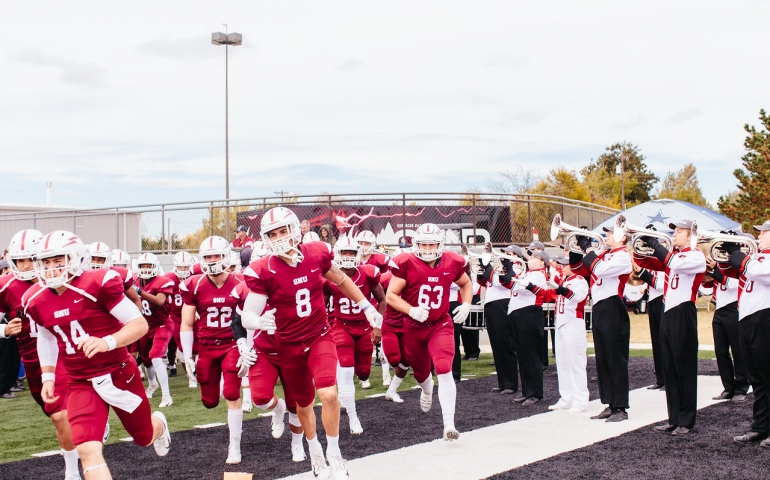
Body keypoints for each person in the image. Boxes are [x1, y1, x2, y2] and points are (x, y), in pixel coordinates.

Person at [241, 207, 382, 479]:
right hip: (288, 344)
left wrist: (366, 306)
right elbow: (248, 313)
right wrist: (258, 322)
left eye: (284, 230)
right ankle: (314, 448)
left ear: (296, 229)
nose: (280, 237)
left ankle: (335, 452)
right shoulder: (263, 269)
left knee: (329, 393)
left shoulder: (316, 252)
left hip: (319, 335)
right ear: (266, 239)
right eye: (273, 233)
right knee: (303, 404)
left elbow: (341, 279)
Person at [25, 231, 170, 479]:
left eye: (58, 260)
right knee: (88, 450)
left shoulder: (96, 284)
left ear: (77, 258)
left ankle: (160, 425)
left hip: (118, 374)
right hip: (80, 381)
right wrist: (48, 376)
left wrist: (107, 342)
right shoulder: (35, 299)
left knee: (144, 437)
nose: (51, 268)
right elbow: (47, 336)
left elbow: (139, 325)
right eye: (46, 262)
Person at [1, 229, 82, 479]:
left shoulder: (67, 279)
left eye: (30, 259)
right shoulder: (6, 286)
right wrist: (4, 329)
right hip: (33, 359)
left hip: (66, 354)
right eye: (19, 260)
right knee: (54, 414)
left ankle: (71, 472)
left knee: (60, 415)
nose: (25, 266)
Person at [386, 223, 472, 441]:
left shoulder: (452, 261)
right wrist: (411, 310)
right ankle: (426, 389)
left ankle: (449, 425)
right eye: (422, 244)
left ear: (439, 244)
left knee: (444, 367)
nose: (426, 249)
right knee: (421, 374)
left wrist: (467, 304)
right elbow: (391, 296)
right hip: (414, 328)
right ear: (416, 244)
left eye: (431, 244)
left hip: (440, 324)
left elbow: (466, 283)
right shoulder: (406, 263)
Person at [636, 220, 706, 436]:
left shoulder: (695, 256)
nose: (674, 235)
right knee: (670, 367)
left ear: (690, 234)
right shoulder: (674, 256)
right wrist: (641, 242)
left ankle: (686, 419)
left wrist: (657, 244)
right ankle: (674, 417)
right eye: (674, 231)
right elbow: (643, 262)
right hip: (668, 311)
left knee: (684, 366)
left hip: (683, 311)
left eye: (679, 231)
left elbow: (673, 263)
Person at [179, 236, 244, 464]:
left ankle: (234, 445)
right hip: (206, 347)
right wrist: (188, 356)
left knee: (232, 393)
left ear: (226, 256)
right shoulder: (194, 284)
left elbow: (250, 318)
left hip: (232, 344)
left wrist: (248, 347)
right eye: (208, 256)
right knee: (209, 402)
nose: (212, 260)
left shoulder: (239, 282)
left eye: (216, 255)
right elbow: (186, 323)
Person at [231, 278, 307, 462]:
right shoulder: (245, 288)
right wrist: (243, 348)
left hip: (292, 350)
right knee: (261, 399)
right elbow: (237, 322)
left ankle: (297, 444)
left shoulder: (296, 280)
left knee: (296, 404)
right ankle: (278, 408)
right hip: (263, 351)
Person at [324, 236, 386, 434]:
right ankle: (353, 417)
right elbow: (321, 305)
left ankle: (349, 399)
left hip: (365, 327)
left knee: (363, 373)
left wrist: (378, 326)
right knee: (346, 370)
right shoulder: (329, 277)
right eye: (345, 253)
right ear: (337, 254)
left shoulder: (367, 274)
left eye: (352, 252)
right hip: (341, 326)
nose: (349, 257)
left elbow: (382, 300)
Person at [570, 226, 632, 422]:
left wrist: (589, 249)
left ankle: (621, 407)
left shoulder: (622, 256)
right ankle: (610, 403)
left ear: (623, 238)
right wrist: (577, 247)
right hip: (599, 307)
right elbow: (577, 269)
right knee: (603, 358)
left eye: (612, 233)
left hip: (613, 306)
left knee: (616, 358)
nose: (607, 236)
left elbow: (601, 270)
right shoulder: (604, 254)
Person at [722, 223, 770, 447]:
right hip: (748, 318)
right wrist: (728, 254)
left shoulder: (762, 261)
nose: (759, 237)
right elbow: (732, 273)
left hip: (764, 319)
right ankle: (760, 427)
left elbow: (761, 273)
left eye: (763, 233)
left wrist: (737, 254)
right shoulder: (757, 258)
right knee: (757, 379)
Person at [544, 256, 590, 413]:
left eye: (565, 264)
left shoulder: (580, 281)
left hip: (573, 322)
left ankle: (581, 400)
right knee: (562, 363)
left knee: (576, 363)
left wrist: (561, 289)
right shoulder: (564, 280)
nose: (562, 267)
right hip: (561, 322)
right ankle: (566, 398)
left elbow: (578, 297)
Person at [480, 245, 524, 395]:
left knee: (505, 344)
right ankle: (503, 382)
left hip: (503, 303)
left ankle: (511, 383)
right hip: (492, 303)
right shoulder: (498, 267)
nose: (504, 255)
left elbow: (499, 281)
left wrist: (487, 266)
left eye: (508, 253)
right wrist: (482, 265)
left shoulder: (517, 268)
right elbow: (485, 281)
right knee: (497, 344)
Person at [703, 254, 748, 402]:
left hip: (733, 307)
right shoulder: (718, 265)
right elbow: (706, 284)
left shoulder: (737, 264)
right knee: (721, 351)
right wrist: (707, 269)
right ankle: (728, 387)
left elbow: (734, 283)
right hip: (719, 309)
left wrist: (716, 269)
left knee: (737, 350)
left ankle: (742, 387)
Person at [507, 250, 549, 406]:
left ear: (542, 262)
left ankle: (535, 393)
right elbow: (511, 285)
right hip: (519, 313)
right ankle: (526, 391)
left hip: (529, 313)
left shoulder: (538, 274)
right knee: (523, 355)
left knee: (531, 355)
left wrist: (510, 270)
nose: (530, 259)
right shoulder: (527, 273)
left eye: (535, 257)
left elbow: (516, 288)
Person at [134, 253, 175, 408]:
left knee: (156, 356)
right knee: (146, 359)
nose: (145, 269)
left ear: (155, 267)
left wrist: (139, 291)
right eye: (142, 266)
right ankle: (152, 384)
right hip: (145, 326)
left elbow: (159, 301)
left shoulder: (162, 282)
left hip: (162, 325)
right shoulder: (136, 282)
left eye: (148, 266)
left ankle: (166, 395)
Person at [634, 227, 666, 391]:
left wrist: (644, 275)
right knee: (656, 340)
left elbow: (661, 284)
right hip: (653, 300)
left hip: (662, 301)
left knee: (664, 341)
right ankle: (660, 378)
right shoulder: (651, 258)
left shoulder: (663, 258)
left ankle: (668, 378)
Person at [164, 251, 196, 387]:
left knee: (199, 347)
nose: (183, 270)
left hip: (195, 315)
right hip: (177, 318)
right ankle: (191, 376)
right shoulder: (168, 278)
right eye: (181, 267)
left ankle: (198, 373)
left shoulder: (196, 277)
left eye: (186, 267)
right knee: (183, 348)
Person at [380, 265, 410, 403]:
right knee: (394, 359)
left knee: (406, 361)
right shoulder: (386, 278)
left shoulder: (414, 278)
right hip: (390, 324)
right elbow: (376, 298)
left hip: (406, 325)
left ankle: (392, 391)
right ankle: (383, 353)